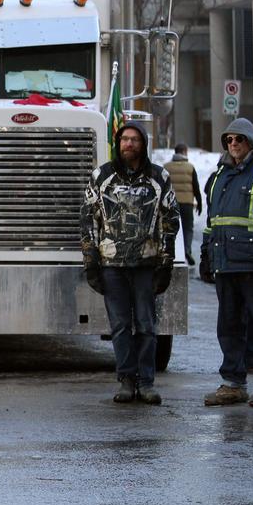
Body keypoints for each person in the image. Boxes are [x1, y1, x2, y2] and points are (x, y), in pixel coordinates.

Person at [80, 121, 180, 405]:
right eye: (125, 139)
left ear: (143, 144)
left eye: (135, 140)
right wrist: (91, 262)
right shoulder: (102, 176)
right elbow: (88, 219)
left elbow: (170, 220)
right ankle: (126, 380)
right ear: (118, 142)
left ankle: (146, 382)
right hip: (112, 265)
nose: (129, 144)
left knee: (147, 326)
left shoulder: (158, 177)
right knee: (121, 326)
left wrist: (166, 263)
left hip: (147, 265)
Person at [198, 117, 253, 408]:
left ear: (250, 141)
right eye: (229, 140)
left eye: (238, 139)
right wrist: (205, 254)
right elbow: (213, 221)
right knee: (228, 325)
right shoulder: (219, 176)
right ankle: (233, 383)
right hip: (225, 263)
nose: (233, 144)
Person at [163, 143, 202, 265]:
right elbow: (195, 187)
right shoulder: (190, 167)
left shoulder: (166, 167)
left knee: (170, 228)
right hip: (187, 203)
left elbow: (162, 186)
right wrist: (199, 202)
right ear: (184, 152)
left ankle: (173, 252)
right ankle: (187, 250)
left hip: (171, 203)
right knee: (188, 228)